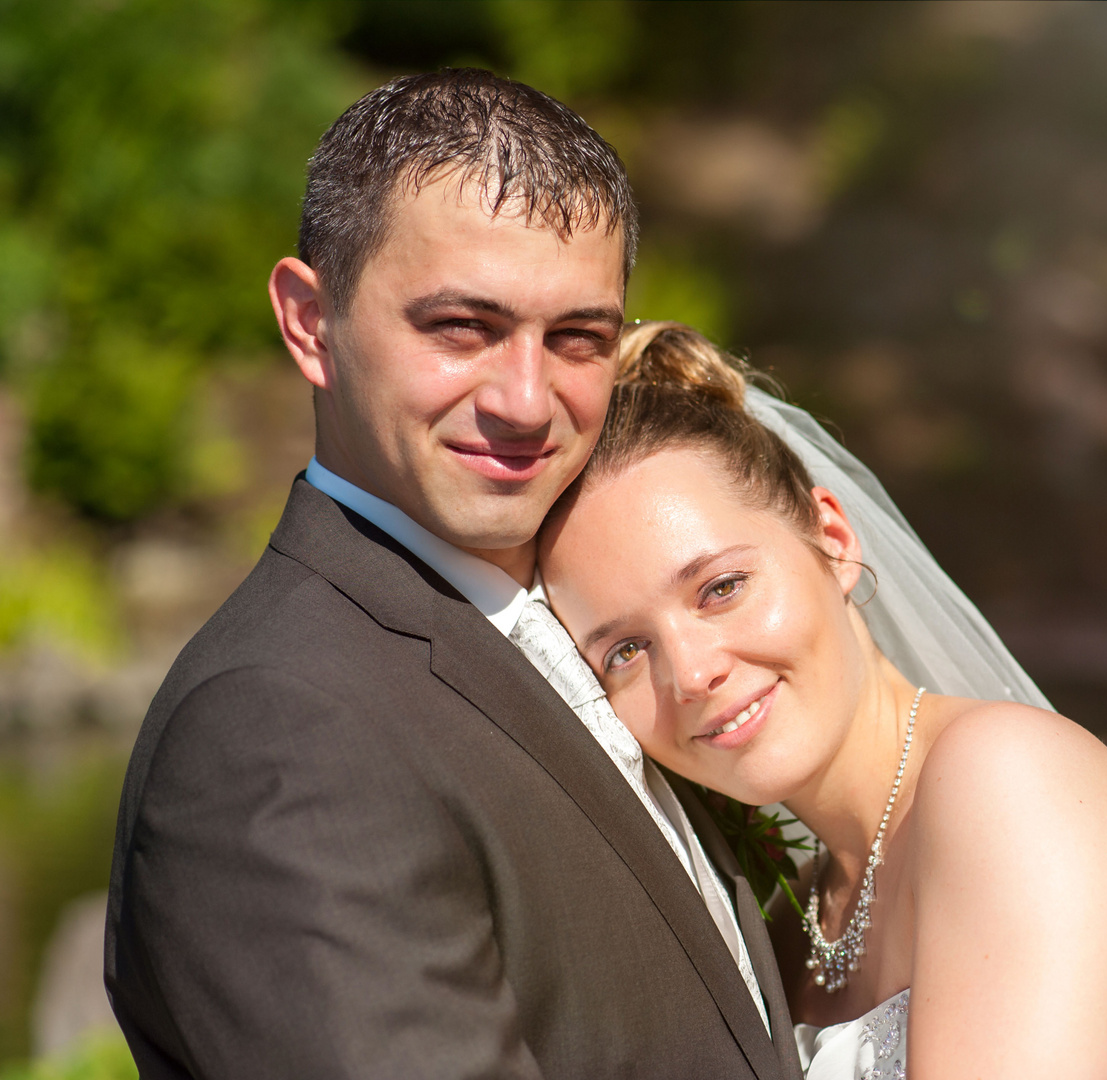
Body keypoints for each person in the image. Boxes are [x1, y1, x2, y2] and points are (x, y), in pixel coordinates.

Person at [105, 72, 801, 1079]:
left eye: (577, 339)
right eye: (461, 328)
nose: (526, 399)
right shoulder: (280, 730)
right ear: (310, 321)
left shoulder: (619, 634)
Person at [538, 323, 1107, 1079]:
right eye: (624, 651)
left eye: (721, 588)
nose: (689, 674)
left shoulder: (1010, 780)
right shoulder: (793, 927)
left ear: (833, 537)